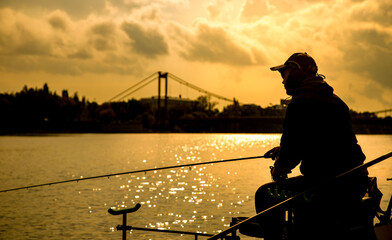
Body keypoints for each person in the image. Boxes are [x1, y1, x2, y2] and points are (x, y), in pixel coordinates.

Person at [254, 53, 370, 240]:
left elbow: (289, 158)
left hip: (326, 188)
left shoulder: (300, 104)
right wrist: (283, 150)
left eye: (285, 74)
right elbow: (320, 142)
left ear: (297, 74)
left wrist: (278, 168)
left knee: (265, 194)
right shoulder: (337, 101)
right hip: (355, 184)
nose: (282, 81)